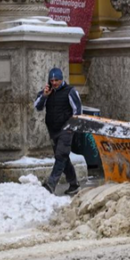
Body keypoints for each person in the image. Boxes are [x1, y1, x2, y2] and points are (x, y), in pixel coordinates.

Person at [34, 67, 82, 195]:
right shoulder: (47, 92)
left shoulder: (70, 91)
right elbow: (38, 107)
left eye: (57, 80)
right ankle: (74, 184)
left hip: (66, 129)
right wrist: (44, 96)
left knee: (61, 155)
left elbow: (78, 111)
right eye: (52, 80)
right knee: (63, 157)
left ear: (62, 79)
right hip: (53, 130)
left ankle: (51, 185)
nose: (54, 82)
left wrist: (72, 127)